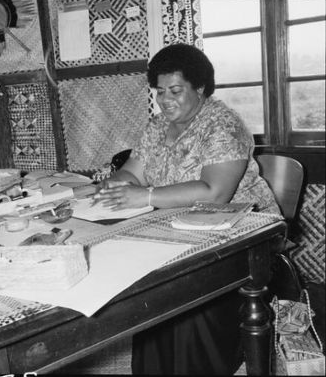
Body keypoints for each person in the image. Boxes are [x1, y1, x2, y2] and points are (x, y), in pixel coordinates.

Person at [92, 43, 281, 375]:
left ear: (200, 88)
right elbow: (132, 171)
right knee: (148, 289)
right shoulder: (157, 126)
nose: (166, 100)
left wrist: (146, 196)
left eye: (176, 91)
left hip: (246, 233)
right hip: (182, 229)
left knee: (183, 297)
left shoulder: (222, 125)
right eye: (160, 91)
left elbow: (215, 192)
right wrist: (117, 183)